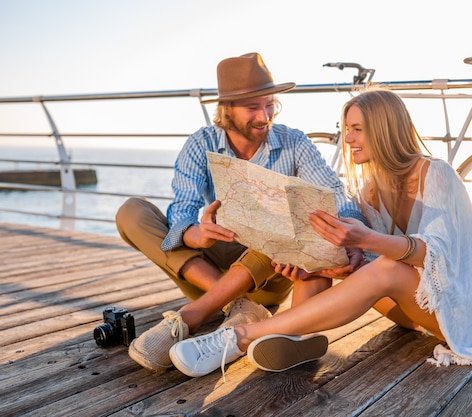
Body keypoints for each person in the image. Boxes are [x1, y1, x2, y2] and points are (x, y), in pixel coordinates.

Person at [166, 88, 472, 379]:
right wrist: (319, 260)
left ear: (385, 130)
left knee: (387, 268)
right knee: (319, 255)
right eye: (347, 128)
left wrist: (364, 240)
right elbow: (365, 260)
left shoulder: (435, 174)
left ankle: (238, 337)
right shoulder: (372, 191)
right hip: (414, 312)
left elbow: (433, 255)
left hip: (463, 314)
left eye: (357, 129)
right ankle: (296, 338)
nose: (348, 139)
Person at [115, 52, 367, 373]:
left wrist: (354, 236)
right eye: (252, 108)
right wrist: (194, 234)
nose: (264, 116)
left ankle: (197, 314)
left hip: (270, 270)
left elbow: (336, 197)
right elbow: (181, 210)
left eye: (270, 105)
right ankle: (235, 303)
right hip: (209, 263)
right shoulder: (201, 143)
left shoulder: (294, 143)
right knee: (132, 212)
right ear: (226, 110)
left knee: (280, 223)